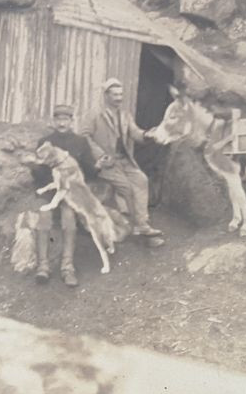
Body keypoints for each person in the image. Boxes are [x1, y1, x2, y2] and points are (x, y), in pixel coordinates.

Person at [83, 78, 165, 247]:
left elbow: (135, 133)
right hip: (106, 163)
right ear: (106, 96)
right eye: (115, 95)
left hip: (124, 160)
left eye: (120, 94)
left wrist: (148, 134)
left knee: (141, 180)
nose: (119, 98)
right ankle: (138, 225)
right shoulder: (94, 114)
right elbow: (84, 135)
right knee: (126, 187)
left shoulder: (125, 114)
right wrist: (99, 155)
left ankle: (142, 224)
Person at [27, 105, 102, 287]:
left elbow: (88, 169)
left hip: (70, 193)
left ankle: (67, 268)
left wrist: (98, 167)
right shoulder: (44, 142)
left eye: (65, 119)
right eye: (58, 119)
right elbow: (39, 174)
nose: (62, 123)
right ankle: (43, 267)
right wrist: (34, 167)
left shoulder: (80, 142)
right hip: (49, 190)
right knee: (44, 217)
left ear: (71, 121)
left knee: (69, 218)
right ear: (54, 121)